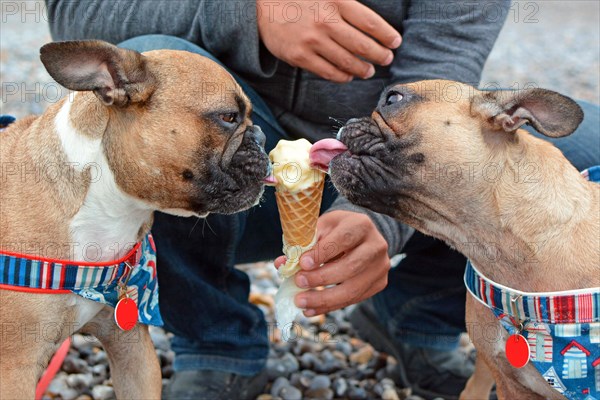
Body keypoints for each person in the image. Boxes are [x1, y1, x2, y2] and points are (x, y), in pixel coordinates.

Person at [44, 1, 600, 399]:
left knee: (580, 146)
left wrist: (378, 222)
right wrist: (251, 16)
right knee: (149, 57)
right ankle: (213, 337)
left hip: (370, 163)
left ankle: (415, 314)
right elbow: (77, 14)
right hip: (230, 174)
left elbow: (442, 78)